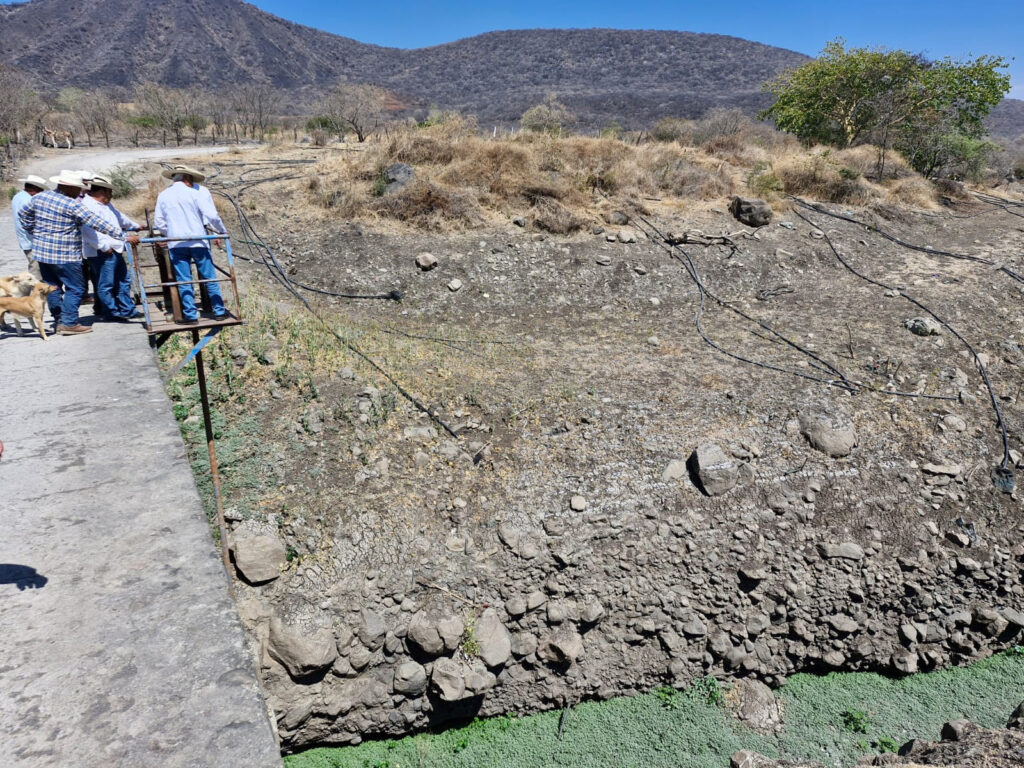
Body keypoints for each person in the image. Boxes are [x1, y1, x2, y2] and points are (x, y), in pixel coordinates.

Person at [17, 171, 140, 336]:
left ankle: (59, 319)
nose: (80, 192)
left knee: (53, 287)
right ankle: (69, 323)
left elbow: (23, 214)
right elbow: (97, 223)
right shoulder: (72, 204)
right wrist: (124, 236)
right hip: (65, 254)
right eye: (78, 188)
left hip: (43, 252)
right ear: (69, 187)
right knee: (75, 288)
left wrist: (33, 230)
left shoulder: (40, 197)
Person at [153, 165, 228, 324]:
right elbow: (211, 215)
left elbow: (159, 222)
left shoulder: (163, 195)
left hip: (176, 243)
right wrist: (221, 231)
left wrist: (170, 233)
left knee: (184, 280)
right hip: (198, 241)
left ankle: (191, 315)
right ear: (187, 179)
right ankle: (219, 311)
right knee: (209, 277)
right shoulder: (194, 193)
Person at [81, 174, 143, 321]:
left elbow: (119, 218)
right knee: (106, 284)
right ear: (102, 191)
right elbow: (88, 231)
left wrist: (136, 226)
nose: (111, 195)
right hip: (102, 250)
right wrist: (103, 246)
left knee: (122, 281)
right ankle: (110, 312)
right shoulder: (87, 206)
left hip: (114, 248)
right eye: (109, 192)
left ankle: (127, 309)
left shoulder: (106, 205)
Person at [11, 175, 48, 279]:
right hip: (31, 240)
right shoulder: (28, 200)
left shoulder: (18, 196)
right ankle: (35, 287)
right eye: (40, 190)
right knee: (36, 268)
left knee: (35, 265)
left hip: (26, 238)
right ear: (33, 189)